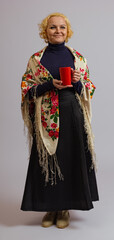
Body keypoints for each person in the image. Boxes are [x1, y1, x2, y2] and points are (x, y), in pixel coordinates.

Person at [21, 12, 99, 229]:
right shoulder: (36, 60)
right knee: (46, 159)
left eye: (62, 27)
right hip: (46, 117)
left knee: (68, 159)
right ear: (45, 31)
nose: (58, 31)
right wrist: (48, 86)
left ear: (68, 31)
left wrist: (77, 83)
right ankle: (50, 207)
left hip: (72, 113)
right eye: (53, 27)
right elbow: (26, 88)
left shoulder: (78, 58)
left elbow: (89, 88)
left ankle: (64, 208)